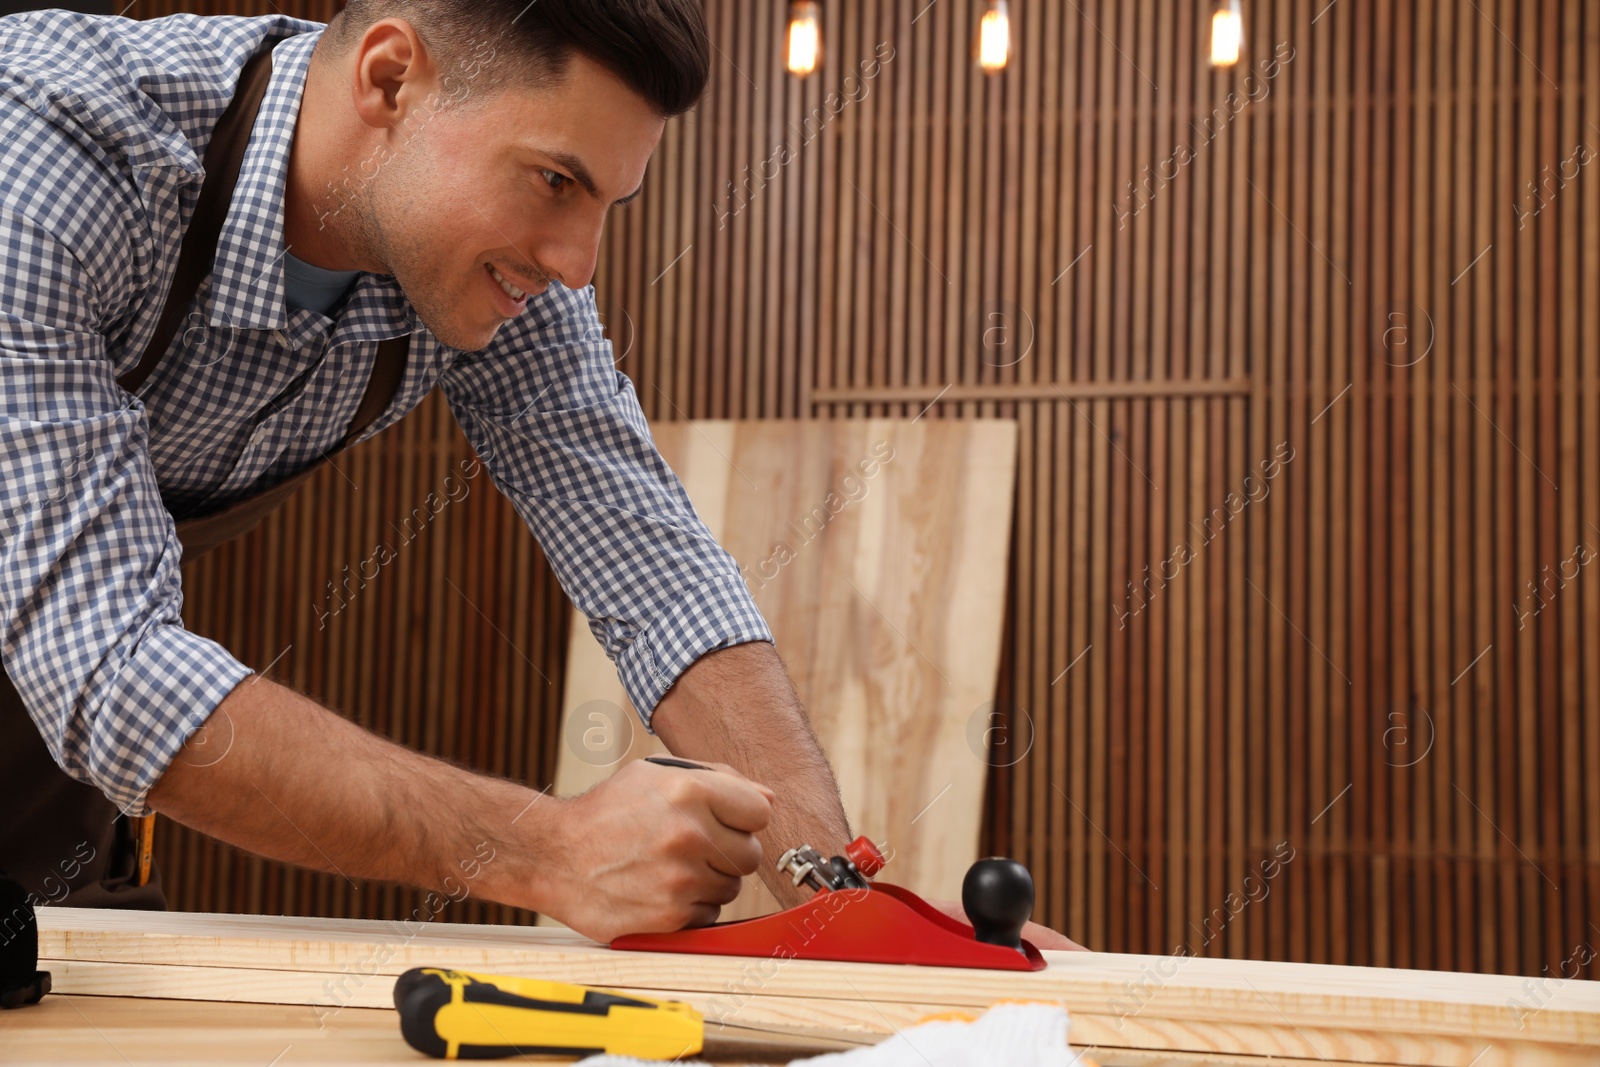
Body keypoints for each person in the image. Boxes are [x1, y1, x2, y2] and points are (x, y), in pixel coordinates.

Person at [0, 0, 1076, 949]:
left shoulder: (483, 262)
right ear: (389, 78)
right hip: (86, 667)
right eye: (555, 180)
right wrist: (545, 848)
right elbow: (114, 663)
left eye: (606, 202)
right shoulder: (48, 157)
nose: (578, 263)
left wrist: (836, 902)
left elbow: (652, 570)